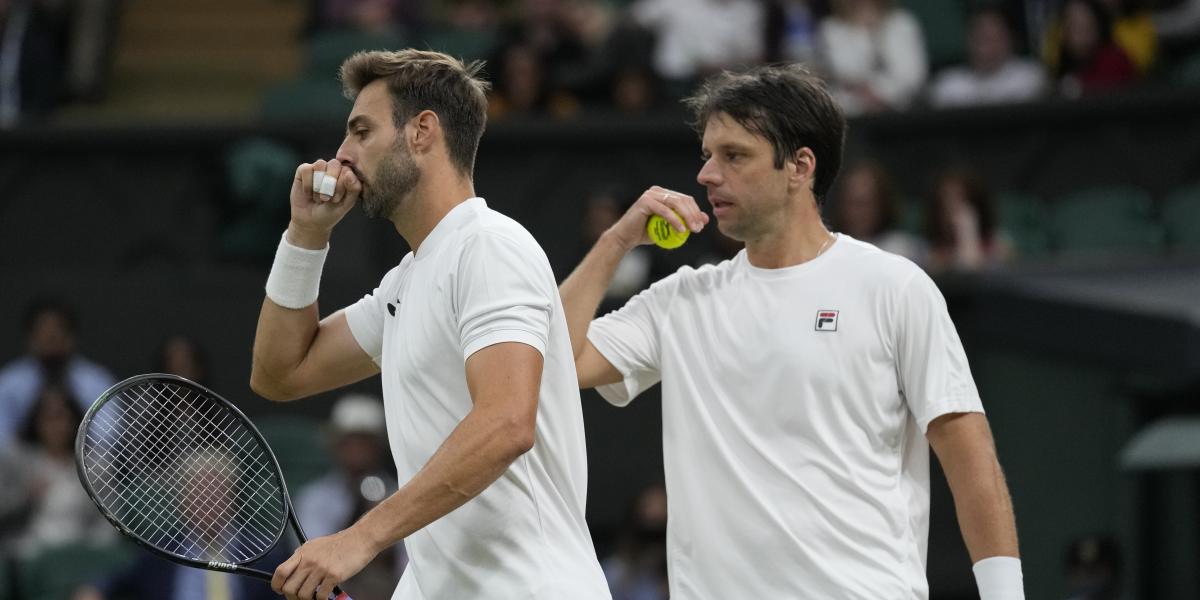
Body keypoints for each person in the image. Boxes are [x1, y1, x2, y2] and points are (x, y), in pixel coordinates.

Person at [558, 64, 1023, 599]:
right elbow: (557, 364)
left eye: (734, 156)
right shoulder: (681, 301)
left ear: (800, 166)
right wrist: (616, 240)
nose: (707, 174)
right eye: (707, 155)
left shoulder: (894, 287)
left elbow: (971, 462)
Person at [249, 49, 610, 600]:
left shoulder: (489, 247)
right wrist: (306, 235)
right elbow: (280, 373)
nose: (342, 157)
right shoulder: (407, 281)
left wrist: (360, 537)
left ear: (422, 132)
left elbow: (507, 422)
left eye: (362, 132)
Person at [295, 394, 404, 600]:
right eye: (349, 441)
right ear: (335, 444)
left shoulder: (401, 495)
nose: (357, 450)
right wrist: (362, 516)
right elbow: (313, 566)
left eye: (365, 441)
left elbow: (407, 567)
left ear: (378, 445)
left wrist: (384, 525)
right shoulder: (313, 499)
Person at [0, 298, 114, 449]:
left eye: (57, 331)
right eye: (43, 331)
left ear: (71, 337)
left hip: (80, 463)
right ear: (30, 338)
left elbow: (109, 438)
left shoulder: (96, 380)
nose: (50, 337)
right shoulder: (9, 381)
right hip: (24, 464)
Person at [928, 5, 1046, 108]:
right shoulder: (949, 85)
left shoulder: (1029, 78)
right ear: (969, 39)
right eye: (981, 36)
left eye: (994, 36)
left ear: (1010, 39)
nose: (987, 43)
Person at [831, 160, 927, 264]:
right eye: (850, 202)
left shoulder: (901, 249)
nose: (858, 212)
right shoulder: (828, 252)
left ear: (881, 203)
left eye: (865, 203)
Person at [924, 166, 1012, 273]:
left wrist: (967, 232)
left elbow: (971, 269)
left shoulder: (999, 245)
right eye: (945, 202)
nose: (952, 209)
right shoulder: (929, 251)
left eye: (960, 200)